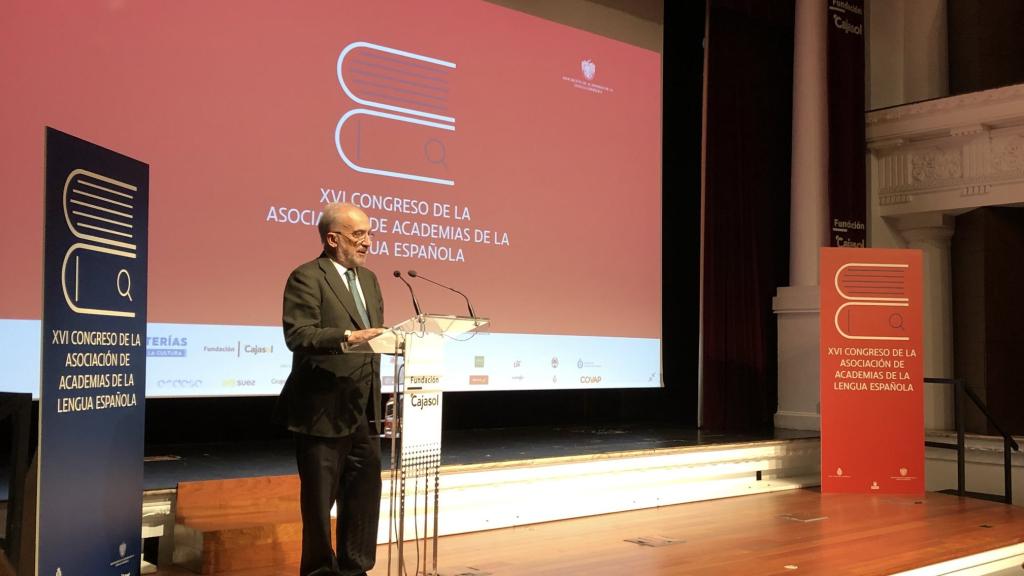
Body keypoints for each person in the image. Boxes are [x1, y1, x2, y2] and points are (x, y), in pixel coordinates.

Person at [277, 202, 386, 576]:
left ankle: (357, 568)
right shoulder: (307, 276)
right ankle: (320, 572)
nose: (368, 242)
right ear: (332, 238)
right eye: (360, 235)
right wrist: (347, 337)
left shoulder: (370, 281)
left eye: (370, 234)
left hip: (363, 409)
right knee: (319, 505)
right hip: (321, 409)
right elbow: (299, 334)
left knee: (364, 497)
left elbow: (377, 340)